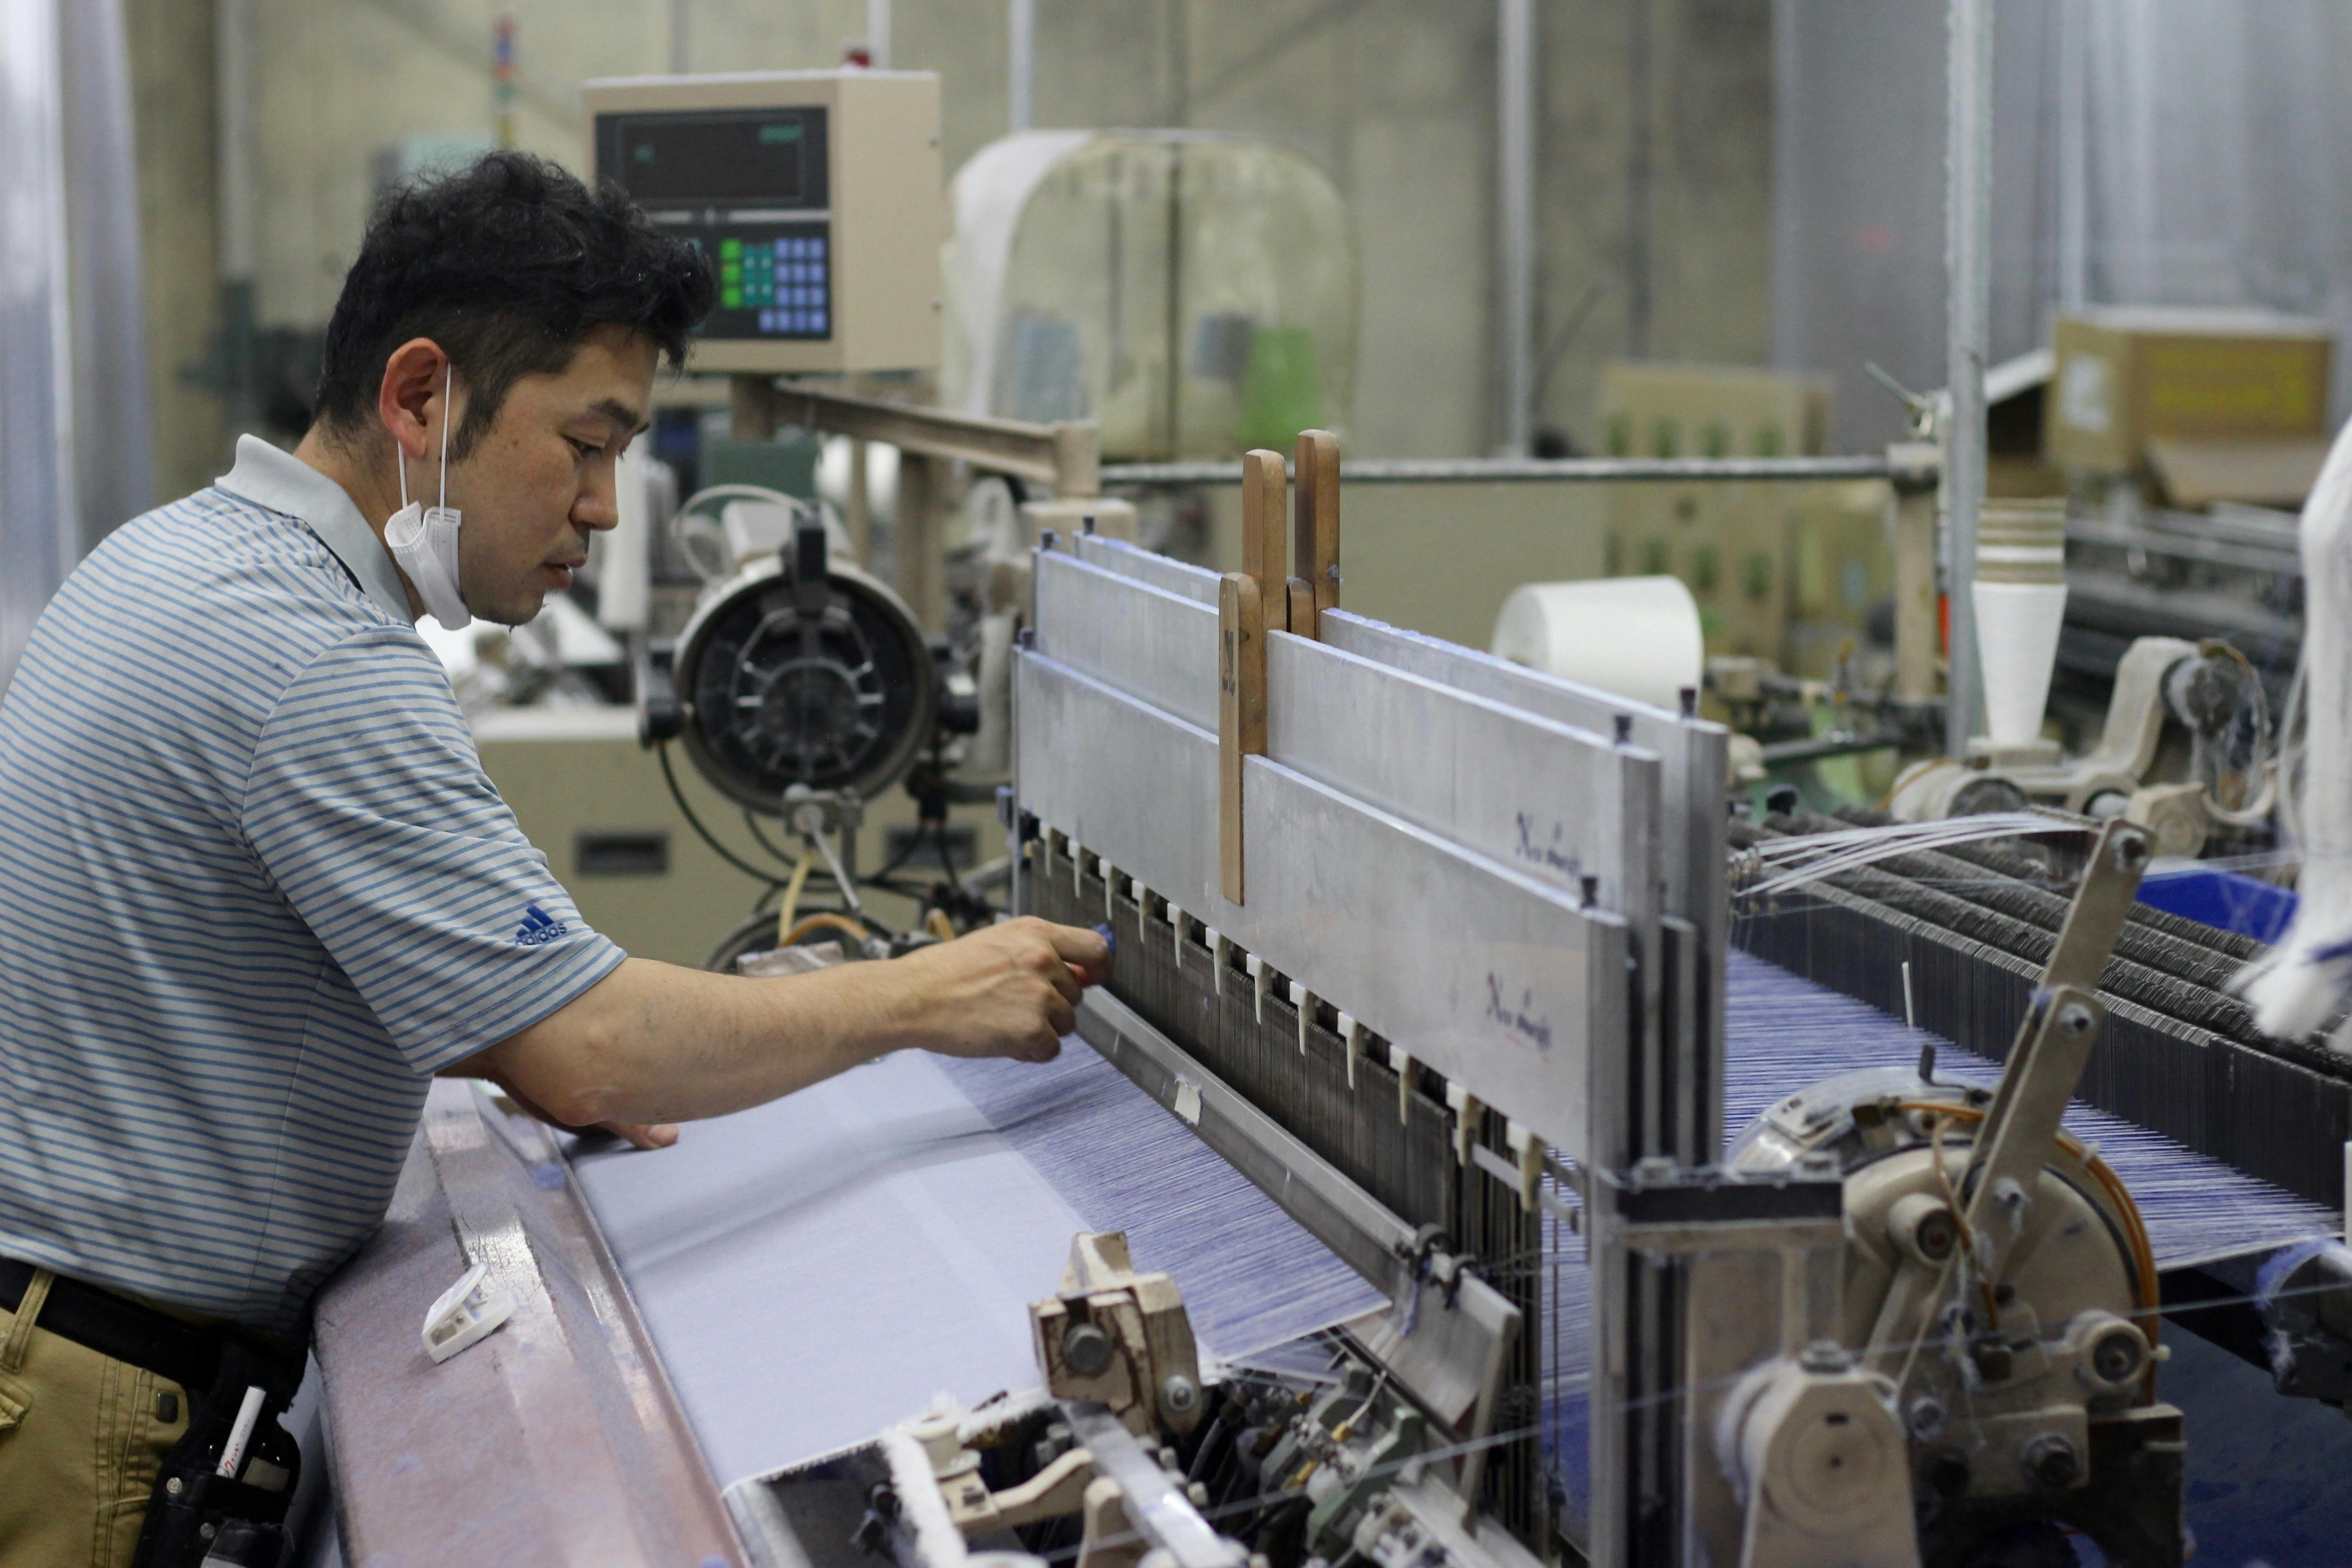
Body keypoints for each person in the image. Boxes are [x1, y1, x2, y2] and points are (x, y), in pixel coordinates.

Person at [0, 151, 1109, 1568]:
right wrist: (931, 993)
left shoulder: (173, 557)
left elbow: (222, 955)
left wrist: (509, 1026)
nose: (603, 505)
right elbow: (590, 1052)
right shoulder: (312, 655)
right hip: (86, 1403)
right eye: (585, 445)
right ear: (419, 398)